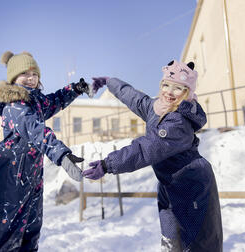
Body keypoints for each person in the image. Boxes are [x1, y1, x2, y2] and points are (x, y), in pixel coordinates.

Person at [83, 60, 223, 251]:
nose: (169, 92)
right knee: (170, 241)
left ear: (187, 93)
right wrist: (110, 82)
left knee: (197, 242)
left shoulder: (177, 122)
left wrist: (108, 164)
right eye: (166, 85)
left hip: (192, 186)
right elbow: (135, 98)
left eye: (177, 88)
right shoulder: (157, 107)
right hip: (169, 184)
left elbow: (145, 149)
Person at [0, 51, 89, 251]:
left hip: (32, 182)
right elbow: (36, 131)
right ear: (13, 78)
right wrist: (62, 155)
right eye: (24, 74)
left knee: (30, 237)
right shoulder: (15, 106)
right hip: (11, 182)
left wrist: (74, 89)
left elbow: (55, 100)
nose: (30, 78)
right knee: (6, 240)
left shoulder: (36, 103)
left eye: (34, 74)